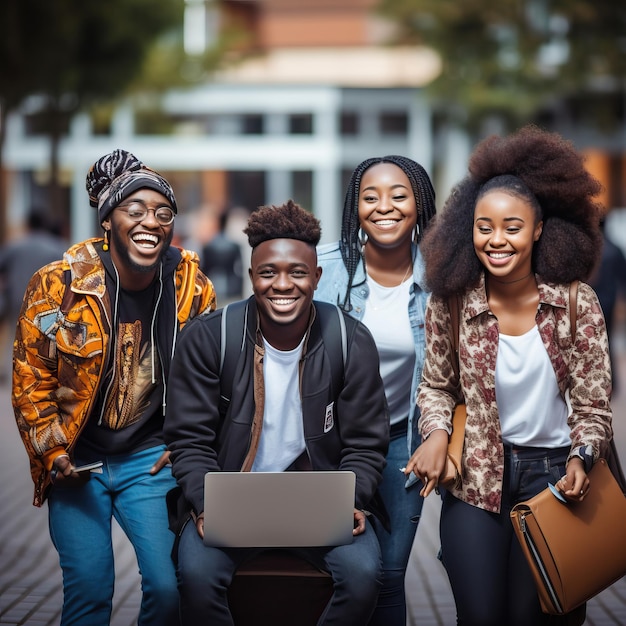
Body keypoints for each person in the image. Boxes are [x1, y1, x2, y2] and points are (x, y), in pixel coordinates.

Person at [404, 125, 613, 626]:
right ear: (466, 228)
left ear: (539, 229)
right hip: (476, 478)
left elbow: (592, 402)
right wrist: (435, 433)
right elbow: (436, 383)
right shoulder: (450, 301)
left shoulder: (575, 302)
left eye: (512, 227)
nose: (496, 240)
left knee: (535, 618)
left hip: (554, 479)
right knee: (478, 616)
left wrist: (583, 456)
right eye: (484, 227)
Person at [12, 149, 216, 626]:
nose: (151, 221)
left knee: (169, 589)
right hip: (76, 461)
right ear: (108, 221)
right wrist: (52, 451)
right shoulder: (58, 285)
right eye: (136, 210)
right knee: (89, 590)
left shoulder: (191, 284)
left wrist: (187, 445)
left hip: (150, 459)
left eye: (163, 213)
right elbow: (30, 381)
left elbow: (211, 377)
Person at [163, 199, 389, 626]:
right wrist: (207, 504)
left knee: (362, 576)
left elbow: (365, 442)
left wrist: (353, 498)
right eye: (268, 273)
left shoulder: (349, 339)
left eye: (297, 272)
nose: (282, 285)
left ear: (316, 277)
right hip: (232, 502)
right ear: (251, 276)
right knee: (195, 576)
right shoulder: (210, 339)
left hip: (317, 504)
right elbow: (189, 439)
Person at [315, 155, 437, 625]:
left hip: (404, 442)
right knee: (343, 571)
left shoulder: (443, 277)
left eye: (398, 195)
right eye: (370, 197)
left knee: (390, 573)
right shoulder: (324, 270)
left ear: (419, 203)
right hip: (333, 444)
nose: (384, 207)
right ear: (355, 207)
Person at [0, 209, 66, 380]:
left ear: (28, 224)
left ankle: (13, 373)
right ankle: (39, 375)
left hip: (16, 297)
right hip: (46, 300)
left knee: (15, 336)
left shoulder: (15, 246)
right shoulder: (56, 246)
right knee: (45, 337)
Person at [590, 220, 626, 394]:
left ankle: (600, 384)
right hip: (609, 300)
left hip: (591, 301)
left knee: (592, 343)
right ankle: (614, 384)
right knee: (608, 340)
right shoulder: (614, 248)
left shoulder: (590, 249)